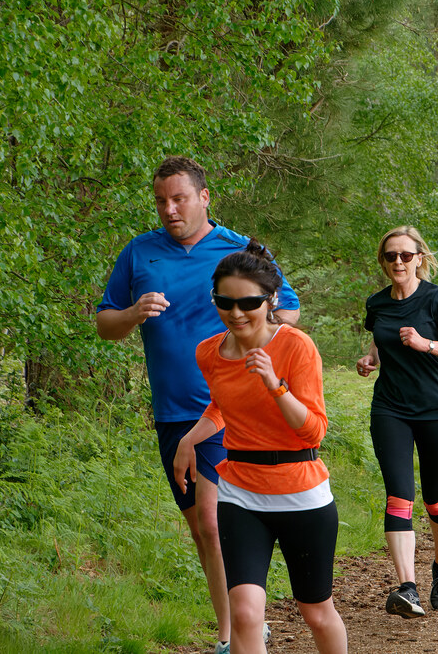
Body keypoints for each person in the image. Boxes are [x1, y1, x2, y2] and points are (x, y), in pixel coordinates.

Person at [96, 156, 299, 653]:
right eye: (161, 200)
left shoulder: (240, 250)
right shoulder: (139, 253)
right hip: (173, 411)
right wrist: (132, 313)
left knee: (214, 520)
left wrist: (246, 325)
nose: (169, 209)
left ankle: (239, 634)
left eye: (179, 198)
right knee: (203, 530)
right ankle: (239, 625)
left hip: (233, 407)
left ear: (204, 197)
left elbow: (288, 311)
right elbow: (104, 325)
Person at [172, 241, 345, 653]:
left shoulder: (295, 346)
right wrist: (189, 438)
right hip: (241, 492)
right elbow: (223, 406)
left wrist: (276, 386)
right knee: (246, 612)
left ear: (271, 300)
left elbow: (314, 432)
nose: (235, 313)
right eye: (224, 302)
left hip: (301, 492)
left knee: (316, 612)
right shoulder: (209, 353)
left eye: (247, 302)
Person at [356, 226, 438, 618]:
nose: (398, 263)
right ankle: (407, 587)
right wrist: (371, 360)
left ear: (419, 258)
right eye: (391, 256)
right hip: (390, 409)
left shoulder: (436, 299)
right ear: (384, 262)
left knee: (434, 500)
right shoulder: (377, 304)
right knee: (399, 497)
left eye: (406, 256)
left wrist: (425, 344)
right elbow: (379, 338)